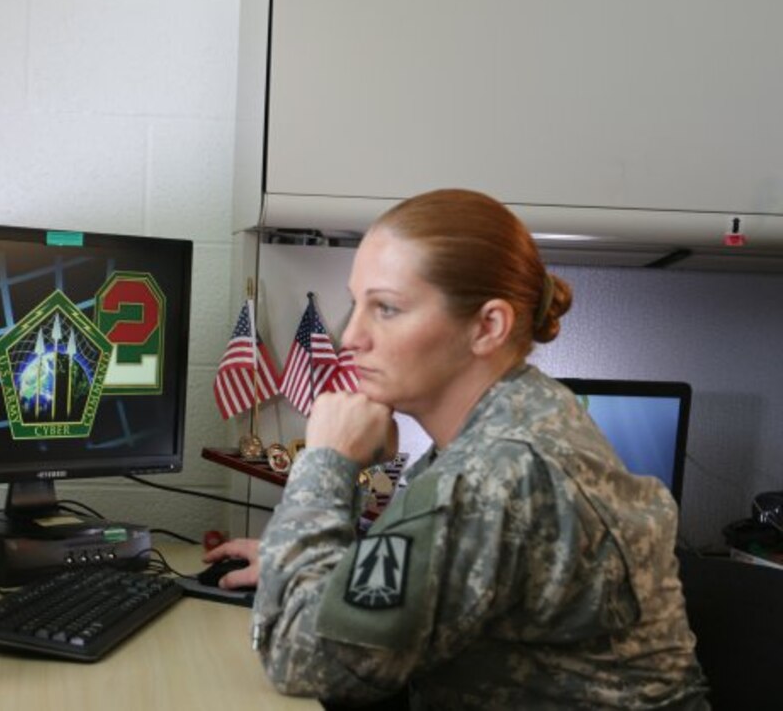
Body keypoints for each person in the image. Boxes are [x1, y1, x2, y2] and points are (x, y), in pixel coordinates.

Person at [204, 189, 708, 709]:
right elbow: (415, 579)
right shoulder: (517, 414)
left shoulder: (498, 474)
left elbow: (302, 660)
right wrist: (302, 561)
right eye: (357, 304)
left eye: (387, 308)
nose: (351, 336)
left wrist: (327, 463)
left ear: (487, 327)